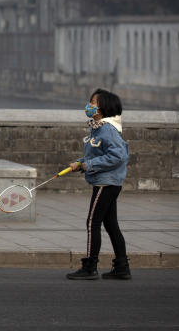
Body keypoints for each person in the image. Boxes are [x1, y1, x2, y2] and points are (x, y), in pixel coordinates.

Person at [66, 88, 131, 280]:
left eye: (93, 103)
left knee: (92, 222)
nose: (89, 105)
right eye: (90, 102)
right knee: (110, 224)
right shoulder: (99, 127)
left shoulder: (107, 129)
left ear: (103, 108)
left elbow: (118, 156)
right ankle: (122, 267)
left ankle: (90, 267)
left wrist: (89, 165)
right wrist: (80, 163)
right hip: (107, 182)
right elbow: (96, 154)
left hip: (106, 183)